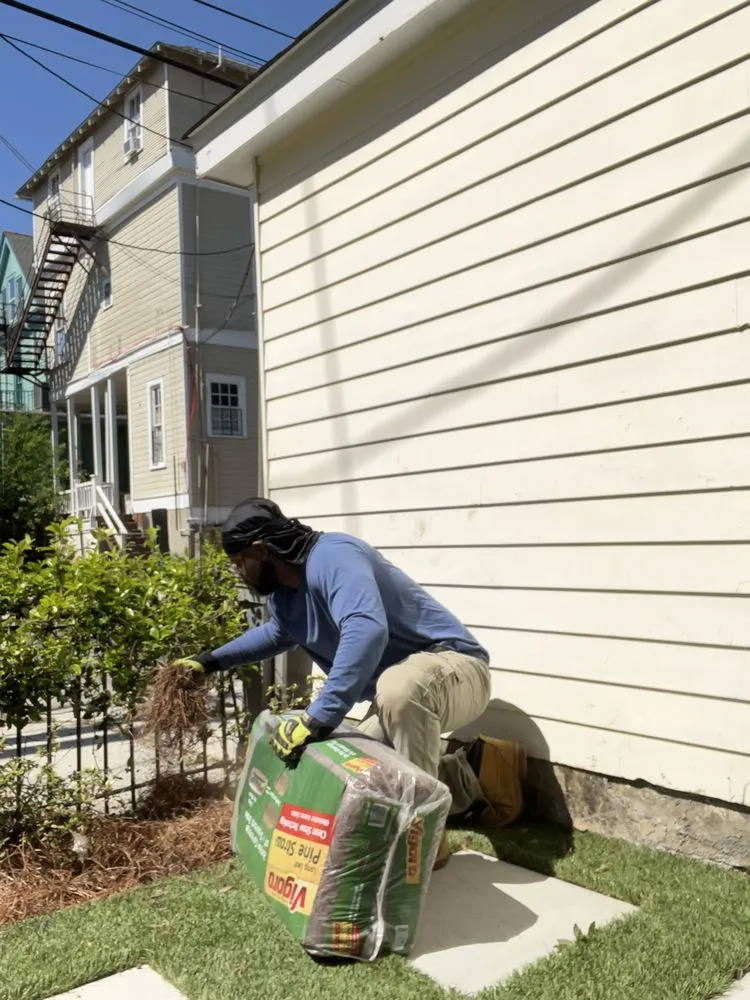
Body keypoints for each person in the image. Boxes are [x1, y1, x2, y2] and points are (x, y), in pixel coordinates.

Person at [176, 497, 494, 868]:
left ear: (261, 551)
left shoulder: (334, 556)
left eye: (238, 561)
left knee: (397, 690)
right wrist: (208, 661)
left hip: (455, 667)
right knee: (360, 770)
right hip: (403, 692)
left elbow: (366, 628)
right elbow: (276, 636)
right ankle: (464, 781)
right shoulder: (285, 596)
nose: (239, 571)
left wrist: (317, 717)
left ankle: (424, 841)